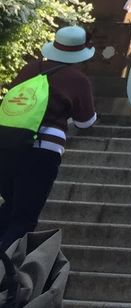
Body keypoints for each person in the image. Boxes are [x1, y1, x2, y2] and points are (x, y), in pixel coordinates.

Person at [0, 26, 96, 249]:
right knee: (24, 217)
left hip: (7, 142)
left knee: (10, 205)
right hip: (42, 151)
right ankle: (6, 265)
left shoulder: (30, 69)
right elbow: (85, 122)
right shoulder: (77, 79)